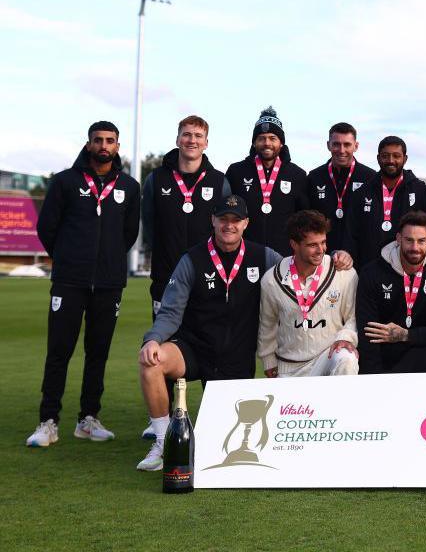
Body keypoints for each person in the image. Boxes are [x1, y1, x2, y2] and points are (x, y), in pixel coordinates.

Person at [135, 195, 281, 470]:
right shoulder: (192, 259)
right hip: (194, 348)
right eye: (223, 220)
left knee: (223, 441)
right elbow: (170, 311)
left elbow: (294, 275)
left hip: (237, 356)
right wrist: (153, 339)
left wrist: (334, 260)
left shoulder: (264, 256)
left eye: (235, 221)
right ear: (213, 221)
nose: (229, 226)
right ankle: (165, 443)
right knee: (151, 362)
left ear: (246, 223)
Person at [28, 121, 140, 448]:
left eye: (110, 141)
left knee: (98, 353)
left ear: (117, 146)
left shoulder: (130, 187)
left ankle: (88, 419)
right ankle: (48, 421)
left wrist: (108, 262)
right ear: (88, 143)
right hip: (70, 281)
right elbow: (47, 228)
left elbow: (128, 234)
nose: (104, 145)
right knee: (59, 352)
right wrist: (67, 258)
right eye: (98, 140)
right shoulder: (65, 181)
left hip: (108, 284)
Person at [143, 115, 230, 316]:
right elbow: (149, 227)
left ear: (206, 143)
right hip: (165, 275)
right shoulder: (155, 179)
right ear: (177, 140)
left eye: (198, 136)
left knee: (205, 340)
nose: (192, 140)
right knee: (163, 339)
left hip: (207, 275)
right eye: (187, 135)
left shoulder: (220, 182)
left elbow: (226, 230)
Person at [258, 210, 359, 378]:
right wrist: (269, 360)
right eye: (313, 245)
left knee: (346, 358)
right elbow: (268, 324)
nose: (321, 250)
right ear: (294, 244)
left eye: (323, 242)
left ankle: (342, 404)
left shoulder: (343, 272)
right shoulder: (271, 280)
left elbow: (353, 316)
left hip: (327, 356)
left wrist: (347, 337)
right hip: (289, 364)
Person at [355, 210, 426, 373]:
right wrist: (375, 379)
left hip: (417, 351)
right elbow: (368, 332)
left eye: (421, 241)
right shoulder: (371, 273)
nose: (415, 247)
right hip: (382, 355)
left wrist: (406, 335)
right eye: (409, 240)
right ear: (398, 238)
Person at [344, 136, 426, 269]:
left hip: (409, 271)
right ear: (378, 158)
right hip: (369, 272)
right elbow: (351, 235)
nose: (390, 160)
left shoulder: (423, 193)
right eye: (385, 156)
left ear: (405, 159)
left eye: (396, 156)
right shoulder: (361, 194)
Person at [225, 106, 309, 256]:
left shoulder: (297, 175)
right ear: (254, 142)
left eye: (272, 138)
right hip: (243, 256)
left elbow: (304, 220)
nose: (267, 143)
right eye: (261, 138)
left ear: (281, 143)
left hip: (285, 257)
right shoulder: (236, 172)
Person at [306, 122, 375, 253]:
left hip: (359, 255)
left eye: (347, 144)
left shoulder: (370, 177)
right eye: (336, 144)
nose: (341, 150)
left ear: (356, 146)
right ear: (328, 145)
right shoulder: (314, 177)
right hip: (322, 255)